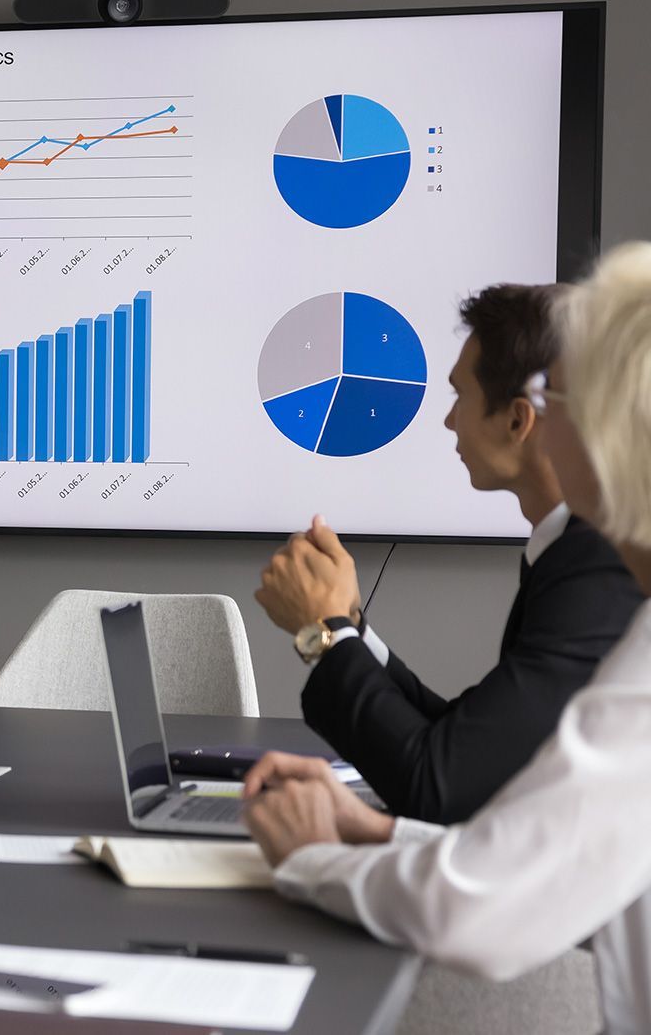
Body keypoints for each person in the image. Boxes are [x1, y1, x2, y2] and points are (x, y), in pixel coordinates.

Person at [242, 243, 651, 1031]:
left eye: (555, 400)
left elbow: (475, 882)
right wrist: (381, 827)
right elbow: (502, 787)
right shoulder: (598, 579)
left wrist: (308, 859)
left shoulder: (609, 591)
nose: (446, 417)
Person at [253, 284, 642, 823]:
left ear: (517, 420)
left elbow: (440, 784)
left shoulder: (598, 566)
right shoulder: (571, 549)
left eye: (460, 396)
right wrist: (349, 629)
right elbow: (466, 741)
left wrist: (322, 632)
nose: (448, 420)